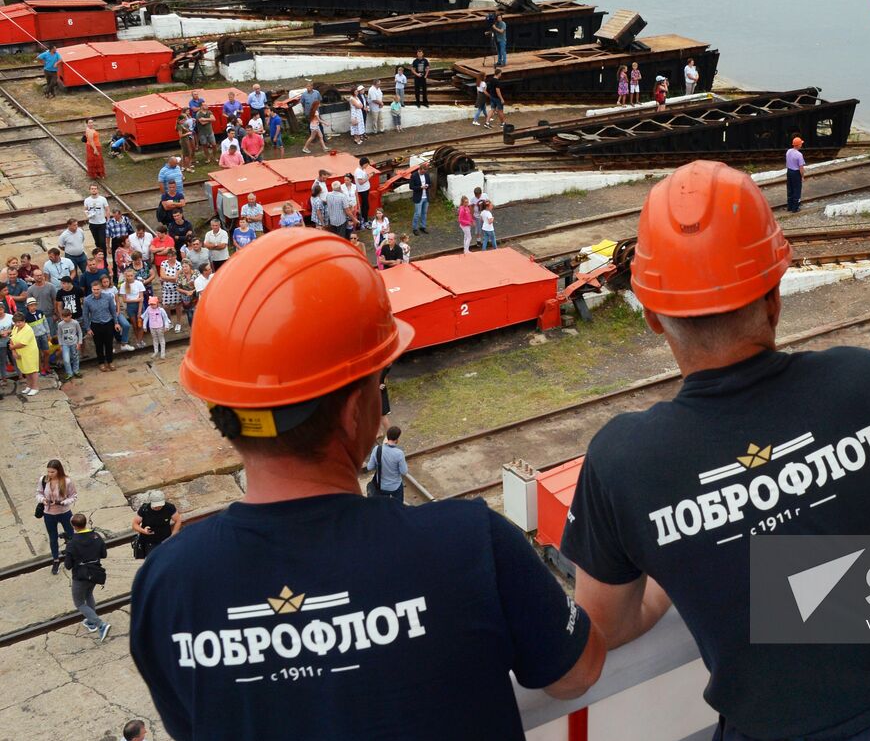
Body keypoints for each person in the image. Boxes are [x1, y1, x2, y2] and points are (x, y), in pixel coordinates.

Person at [130, 232, 605, 738]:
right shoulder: (469, 544)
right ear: (359, 409)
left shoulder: (167, 587)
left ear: (223, 410)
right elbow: (578, 671)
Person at [562, 160, 870, 741]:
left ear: (651, 316)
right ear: (775, 297)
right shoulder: (866, 382)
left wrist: (690, 552)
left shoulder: (622, 461)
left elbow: (606, 622)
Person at [64, 512, 111, 641]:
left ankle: (100, 624)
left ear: (74, 526)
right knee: (89, 595)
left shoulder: (72, 543)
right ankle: (90, 622)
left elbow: (68, 565)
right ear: (85, 523)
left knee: (79, 602)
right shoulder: (96, 536)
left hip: (81, 576)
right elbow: (104, 554)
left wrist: (69, 553)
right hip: (95, 572)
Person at [37, 458, 77, 573]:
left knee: (71, 535)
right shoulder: (43, 480)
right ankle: (55, 559)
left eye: (52, 472)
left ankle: (74, 556)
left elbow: (74, 496)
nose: (49, 474)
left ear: (58, 471)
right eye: (48, 471)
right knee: (53, 538)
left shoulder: (67, 481)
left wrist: (63, 502)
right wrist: (43, 500)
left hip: (64, 513)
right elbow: (38, 493)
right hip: (49, 514)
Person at [82, 279, 119, 371]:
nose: (96, 291)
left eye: (97, 289)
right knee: (98, 345)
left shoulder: (108, 297)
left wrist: (116, 323)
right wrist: (88, 328)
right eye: (94, 289)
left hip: (108, 323)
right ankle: (101, 363)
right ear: (91, 289)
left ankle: (110, 361)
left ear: (101, 289)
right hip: (96, 325)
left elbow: (113, 311)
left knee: (109, 344)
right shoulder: (87, 300)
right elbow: (85, 315)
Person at [133, 489, 182, 558]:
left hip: (166, 539)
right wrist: (143, 531)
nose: (158, 507)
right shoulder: (144, 509)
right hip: (149, 542)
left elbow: (178, 520)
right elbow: (135, 524)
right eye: (155, 506)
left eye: (160, 505)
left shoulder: (169, 508)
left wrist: (173, 535)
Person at [365, 425, 409, 502]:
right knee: (398, 505)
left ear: (387, 436)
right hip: (395, 486)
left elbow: (369, 467)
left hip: (381, 486)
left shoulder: (377, 449)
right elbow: (404, 472)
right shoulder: (399, 453)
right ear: (397, 439)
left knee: (383, 506)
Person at [10, 313, 39, 396]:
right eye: (16, 322)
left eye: (20, 322)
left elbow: (23, 343)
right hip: (20, 353)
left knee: (32, 370)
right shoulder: (15, 327)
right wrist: (14, 351)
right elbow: (11, 339)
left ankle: (35, 387)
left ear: (24, 321)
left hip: (29, 353)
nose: (18, 324)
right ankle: (29, 386)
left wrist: (12, 348)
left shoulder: (28, 329)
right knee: (25, 370)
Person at [118, 268, 146, 349]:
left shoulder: (139, 283)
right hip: (130, 307)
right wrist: (135, 300)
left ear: (134, 275)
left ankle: (140, 341)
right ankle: (138, 339)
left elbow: (141, 298)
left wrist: (140, 311)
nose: (130, 277)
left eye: (131, 275)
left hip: (139, 306)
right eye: (128, 276)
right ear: (126, 276)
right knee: (134, 325)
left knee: (140, 324)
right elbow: (124, 300)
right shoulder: (123, 285)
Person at [157, 248, 182, 332]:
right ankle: (169, 322)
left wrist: (166, 278)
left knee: (178, 305)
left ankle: (178, 323)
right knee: (166, 306)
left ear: (175, 256)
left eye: (172, 256)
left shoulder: (179, 264)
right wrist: (170, 278)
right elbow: (162, 275)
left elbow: (176, 279)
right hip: (166, 288)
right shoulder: (163, 263)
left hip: (176, 288)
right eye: (168, 256)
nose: (170, 258)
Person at [56, 306, 81, 379]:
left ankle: (76, 371)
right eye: (64, 317)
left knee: (75, 357)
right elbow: (59, 334)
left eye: (67, 317)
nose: (66, 319)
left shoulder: (75, 322)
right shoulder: (60, 324)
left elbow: (79, 332)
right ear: (62, 317)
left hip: (74, 343)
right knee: (66, 359)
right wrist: (60, 345)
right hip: (65, 344)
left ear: (70, 315)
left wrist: (79, 343)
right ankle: (69, 373)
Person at [142, 295, 171, 360]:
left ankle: (162, 353)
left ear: (157, 303)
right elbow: (146, 317)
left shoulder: (161, 310)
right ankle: (156, 351)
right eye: (151, 304)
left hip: (160, 327)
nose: (152, 306)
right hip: (152, 327)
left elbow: (165, 318)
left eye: (153, 304)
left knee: (161, 339)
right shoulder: (148, 309)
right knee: (155, 339)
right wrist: (144, 326)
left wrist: (166, 326)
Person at [409, 161, 431, 235]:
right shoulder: (414, 175)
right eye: (422, 172)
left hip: (426, 197)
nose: (423, 173)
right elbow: (411, 187)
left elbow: (430, 183)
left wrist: (428, 185)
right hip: (418, 197)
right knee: (417, 214)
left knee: (424, 213)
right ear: (420, 169)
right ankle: (415, 228)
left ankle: (423, 227)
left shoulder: (426, 175)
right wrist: (420, 187)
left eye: (425, 172)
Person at [785, 135, 806, 213]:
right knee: (797, 190)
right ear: (799, 145)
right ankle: (795, 208)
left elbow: (787, 162)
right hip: (796, 173)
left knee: (790, 189)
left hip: (789, 171)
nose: (802, 145)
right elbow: (801, 168)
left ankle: (789, 207)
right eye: (801, 143)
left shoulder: (788, 151)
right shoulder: (799, 155)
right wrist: (802, 176)